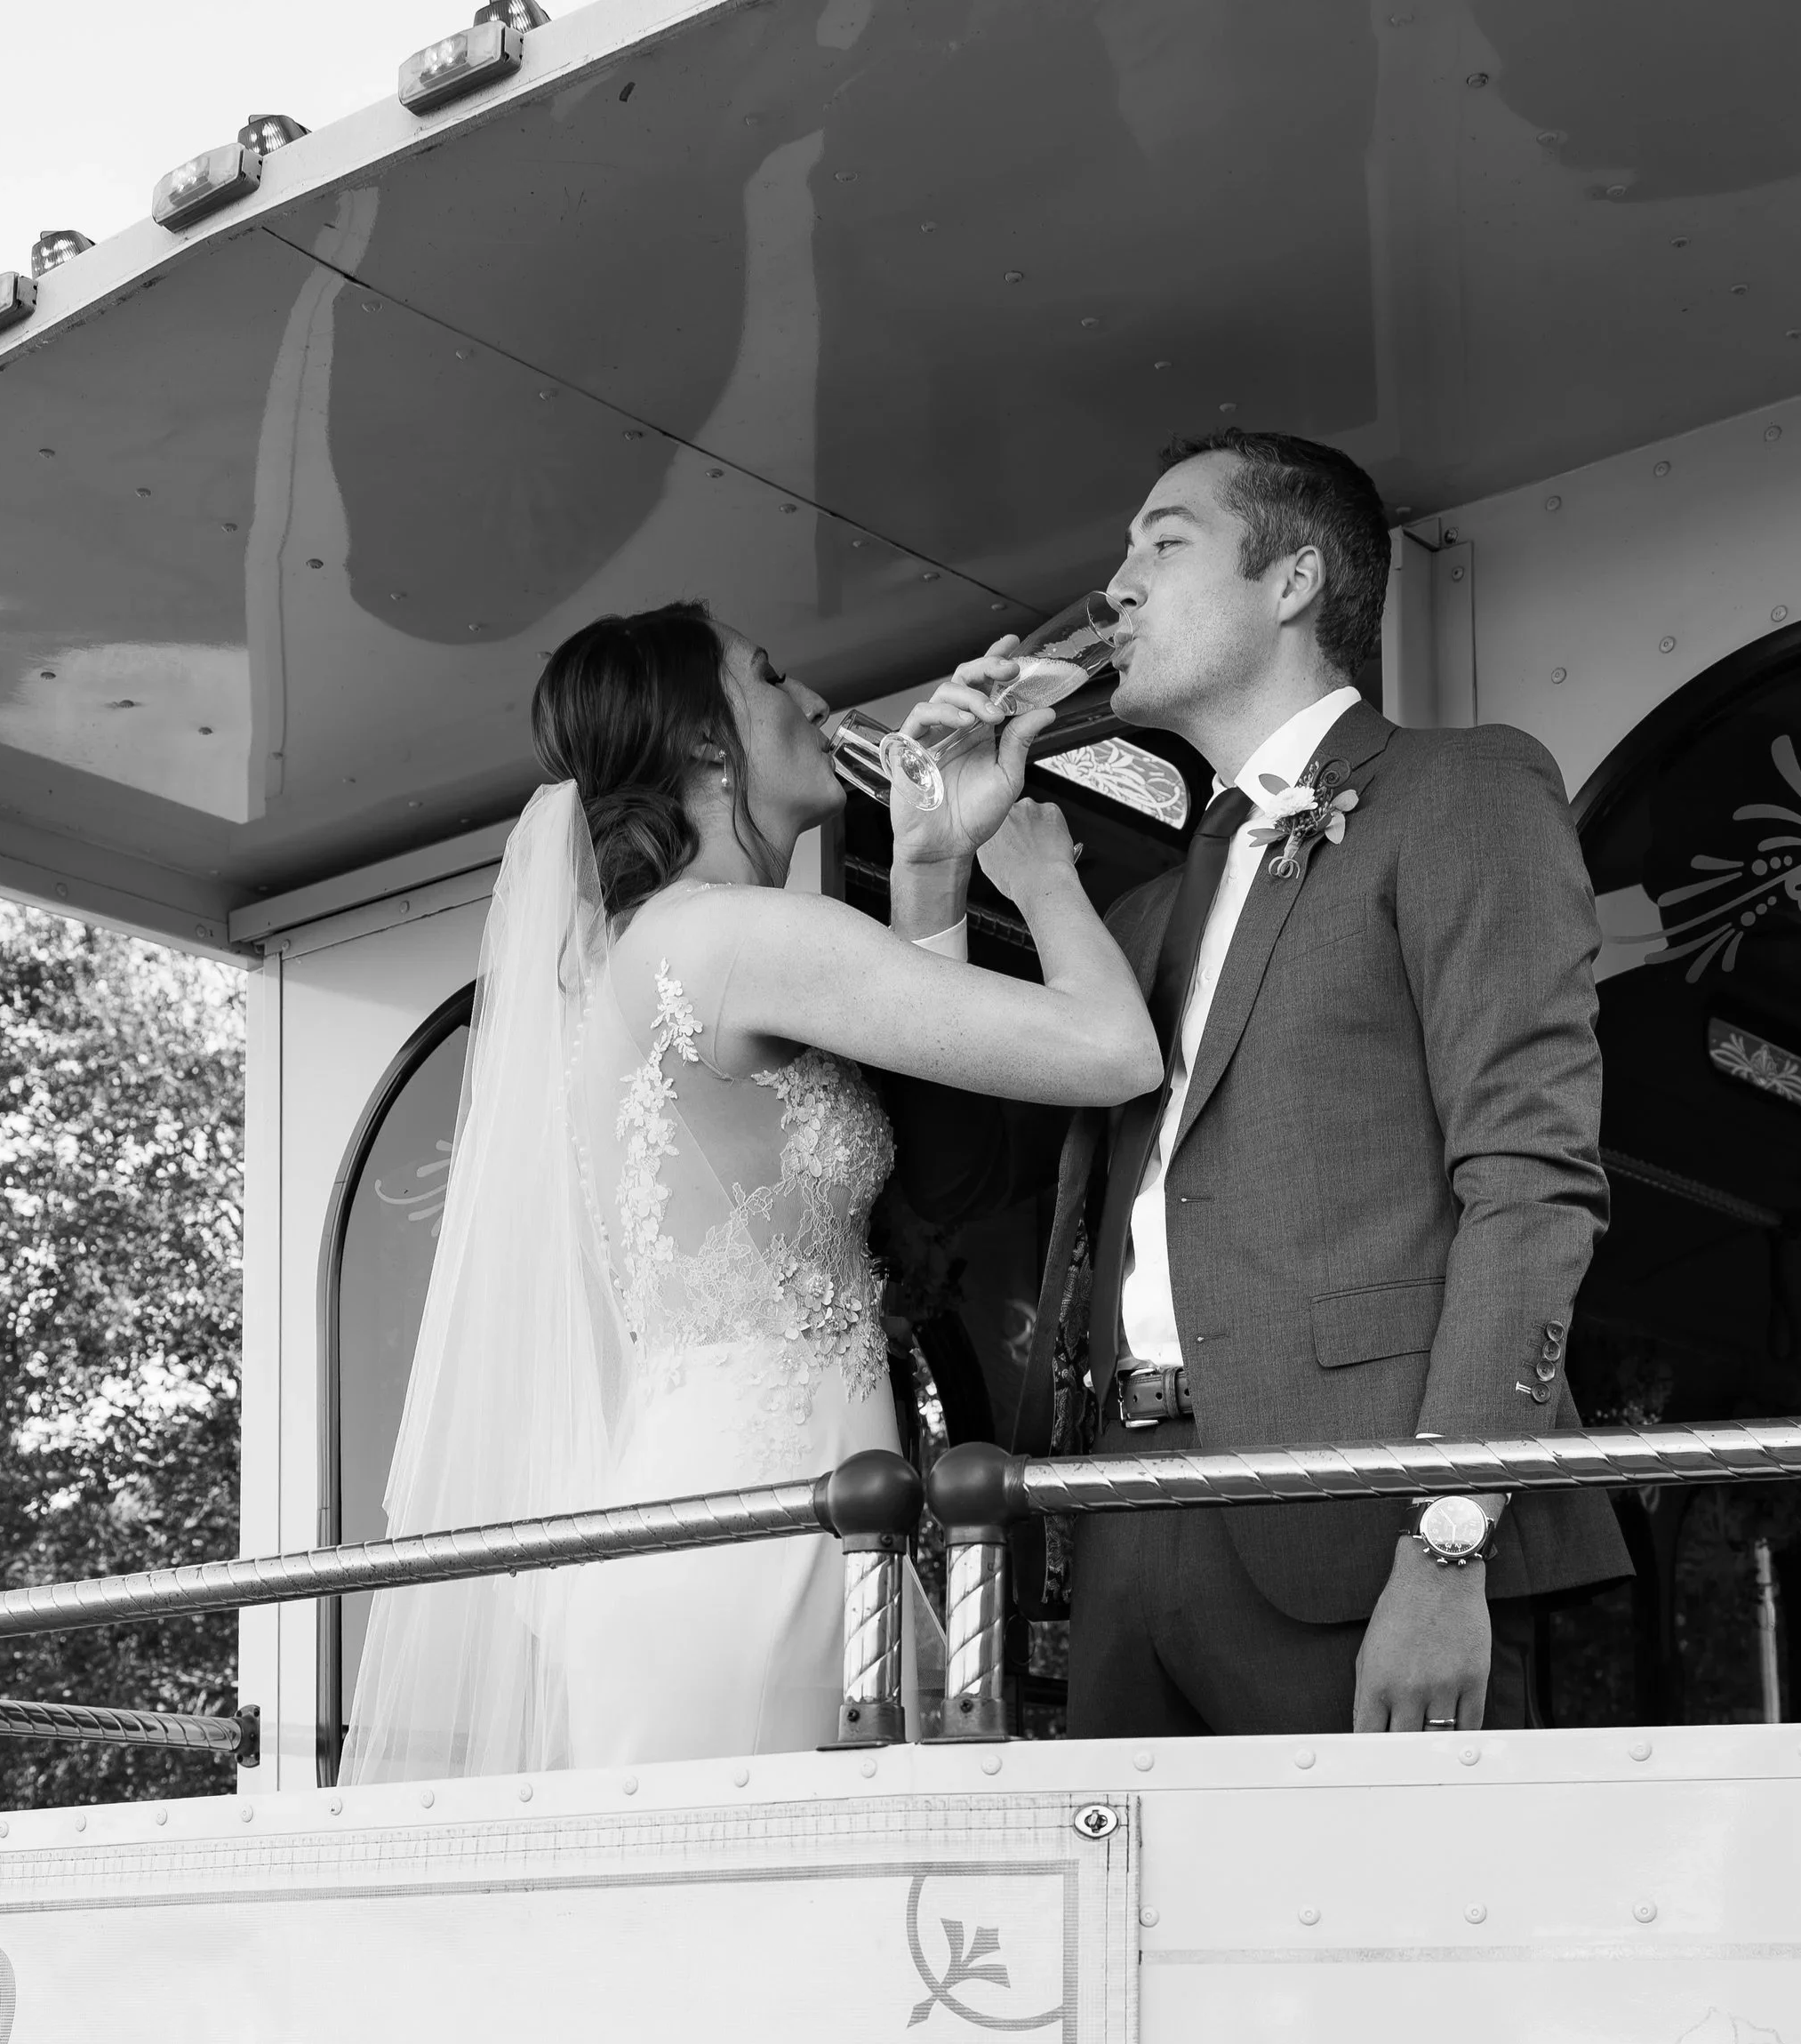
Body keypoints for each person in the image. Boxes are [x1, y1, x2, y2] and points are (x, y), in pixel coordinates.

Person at [342, 604, 1160, 1782]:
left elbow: (947, 1174)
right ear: (706, 746)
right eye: (771, 675)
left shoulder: (667, 948)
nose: (817, 701)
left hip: (780, 1507)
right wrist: (1036, 871)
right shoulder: (734, 939)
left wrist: (929, 862)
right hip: (754, 1533)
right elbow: (1113, 1050)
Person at [975, 429, 1629, 1735]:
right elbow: (962, 1195)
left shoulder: (1465, 789)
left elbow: (1531, 1175)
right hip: (1119, 1522)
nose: (1119, 587)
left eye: (1164, 544)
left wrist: (1448, 1538)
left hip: (1361, 1526)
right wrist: (941, 859)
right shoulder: (1149, 911)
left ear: (1293, 581)